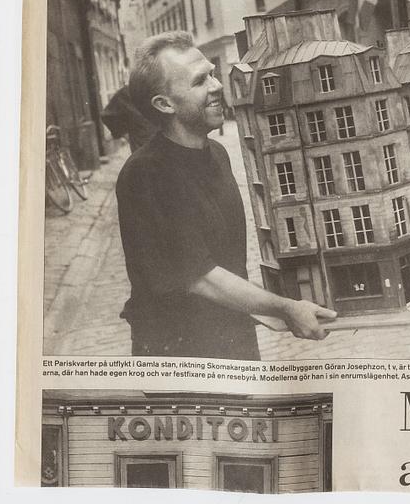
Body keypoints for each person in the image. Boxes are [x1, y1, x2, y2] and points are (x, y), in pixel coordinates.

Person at [117, 31, 336, 359]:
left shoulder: (217, 154)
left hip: (234, 339)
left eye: (213, 74)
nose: (218, 86)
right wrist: (286, 308)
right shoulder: (146, 174)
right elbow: (200, 278)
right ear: (164, 104)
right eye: (200, 81)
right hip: (182, 359)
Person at [101, 83, 157, 153]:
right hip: (143, 148)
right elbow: (108, 115)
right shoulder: (128, 92)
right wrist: (123, 133)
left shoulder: (165, 88)